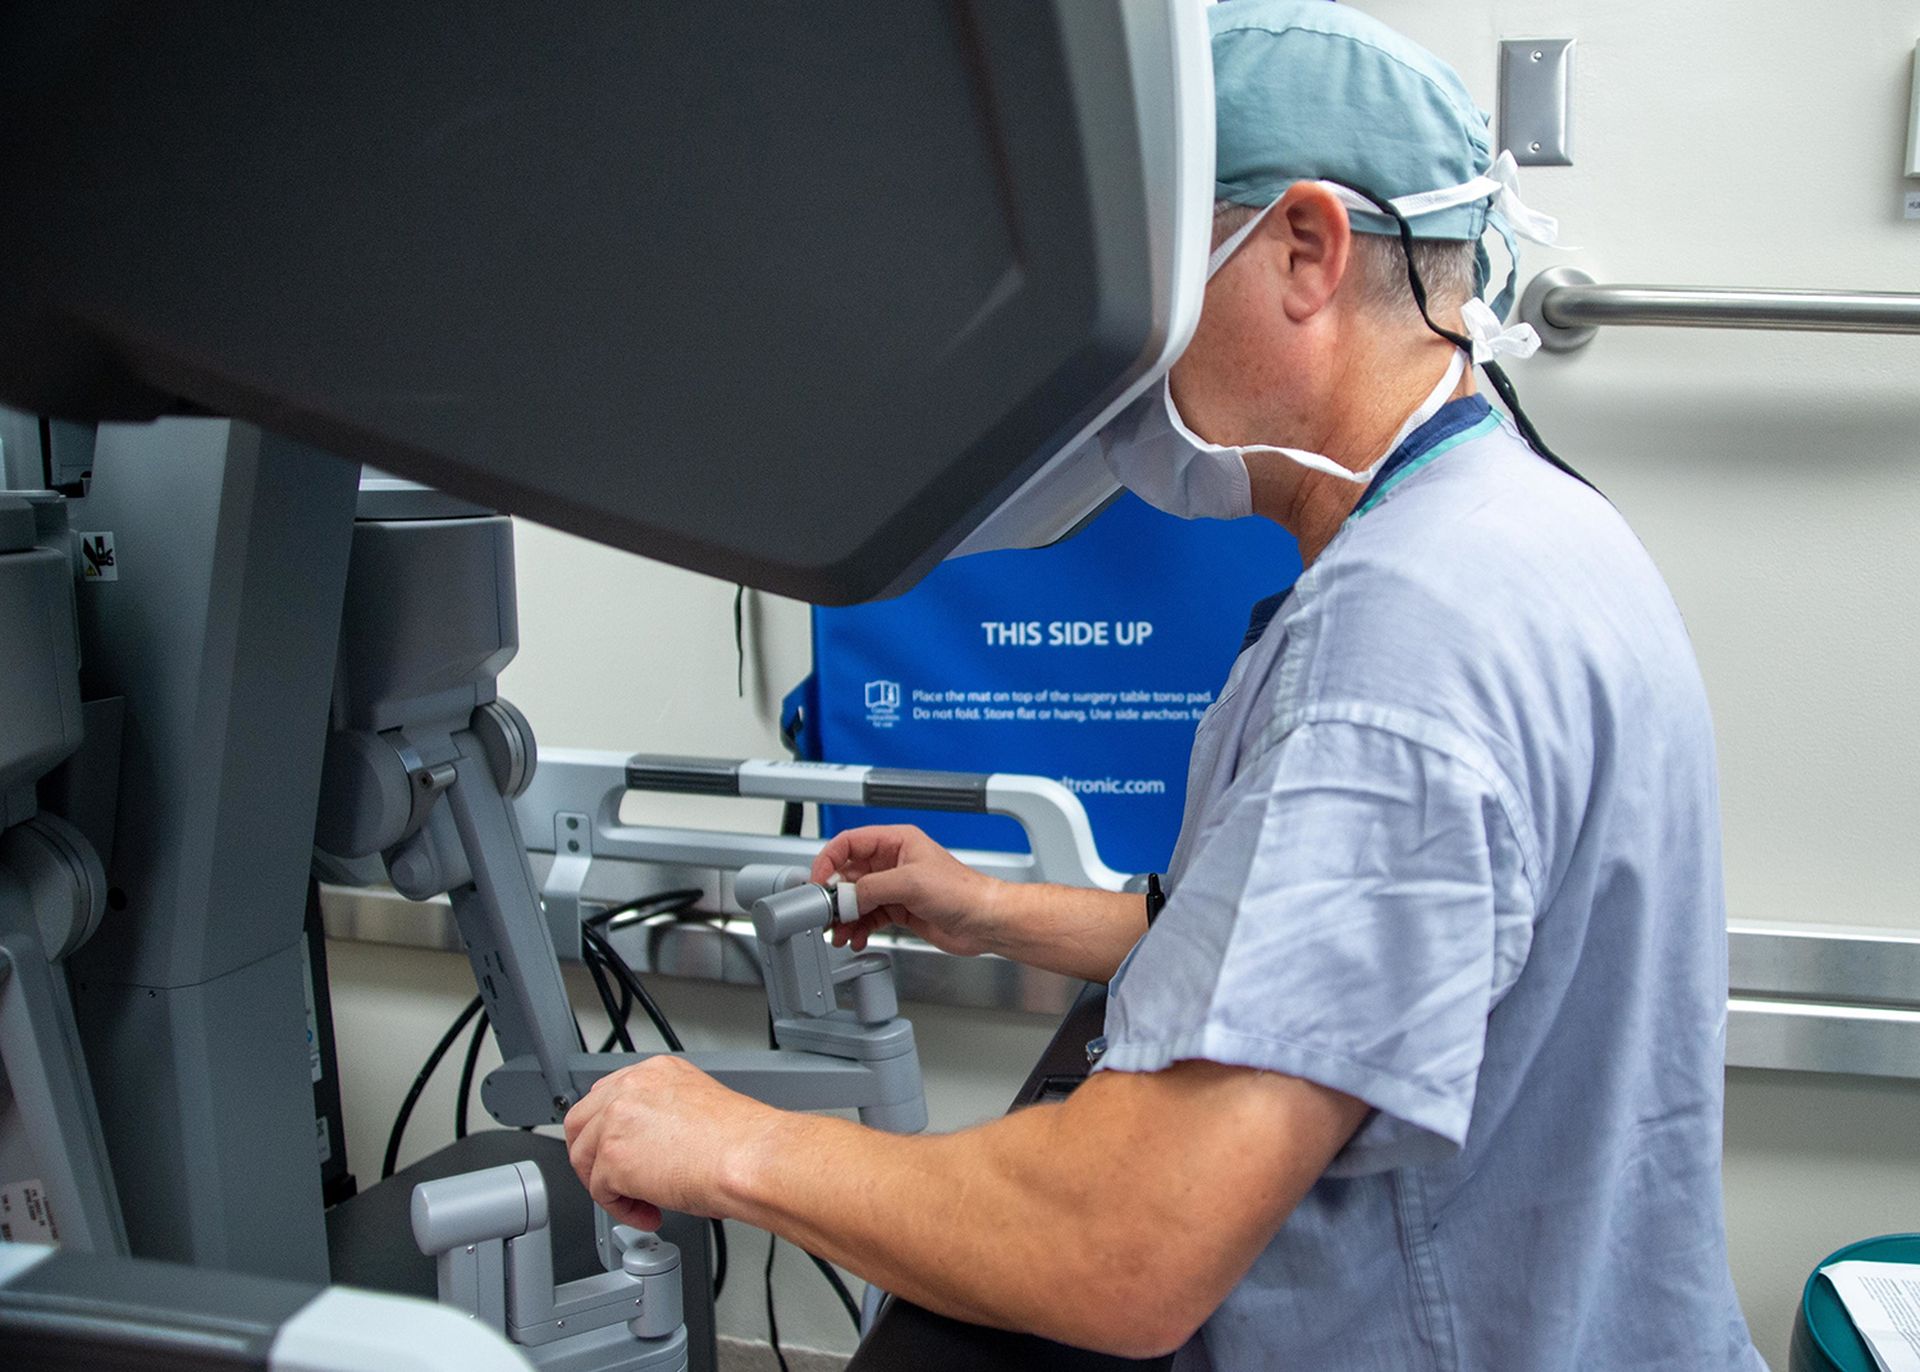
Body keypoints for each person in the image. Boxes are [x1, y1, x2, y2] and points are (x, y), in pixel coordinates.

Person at [565, 4, 1766, 1366]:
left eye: (1146, 281)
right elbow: (1346, 966)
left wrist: (734, 1143)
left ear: (1303, 250)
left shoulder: (1413, 635)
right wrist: (990, 908)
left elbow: (1121, 1250)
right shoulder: (1527, 528)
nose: (1115, 350)